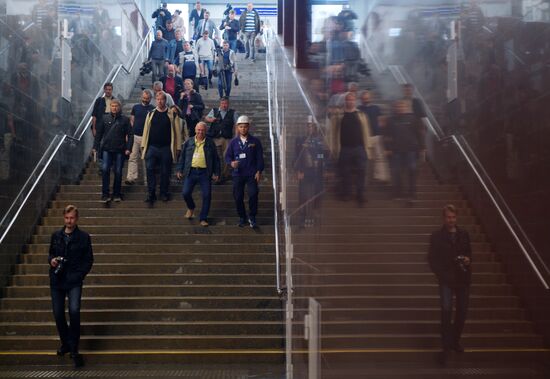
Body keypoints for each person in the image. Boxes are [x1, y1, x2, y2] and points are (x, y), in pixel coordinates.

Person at [49, 205, 93, 368]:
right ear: (63, 218)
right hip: (57, 280)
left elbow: (89, 260)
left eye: (72, 218)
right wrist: (52, 260)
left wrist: (79, 275)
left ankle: (74, 347)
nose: (69, 221)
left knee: (74, 311)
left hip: (74, 280)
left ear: (77, 218)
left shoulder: (83, 237)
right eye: (67, 218)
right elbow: (51, 253)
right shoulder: (56, 236)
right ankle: (65, 343)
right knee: (58, 313)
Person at [428, 204, 472, 364]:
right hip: (446, 280)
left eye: (453, 217)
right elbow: (431, 259)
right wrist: (441, 274)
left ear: (456, 217)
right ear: (443, 218)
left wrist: (467, 260)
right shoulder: (436, 236)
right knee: (446, 313)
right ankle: (446, 346)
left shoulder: (464, 234)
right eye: (448, 217)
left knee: (462, 312)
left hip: (462, 278)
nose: (451, 220)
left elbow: (468, 253)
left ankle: (455, 341)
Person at [329, 91, 372, 206]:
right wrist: (332, 148)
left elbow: (366, 132)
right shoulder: (339, 116)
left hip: (359, 148)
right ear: (345, 101)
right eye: (348, 100)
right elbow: (333, 133)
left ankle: (360, 194)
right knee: (345, 172)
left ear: (355, 101)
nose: (350, 101)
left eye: (352, 100)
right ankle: (347, 193)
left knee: (362, 171)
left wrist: (368, 147)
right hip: (344, 149)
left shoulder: (361, 115)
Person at [141, 91, 182, 204]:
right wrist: (143, 145)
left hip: (166, 148)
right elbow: (146, 130)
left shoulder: (172, 114)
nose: (160, 101)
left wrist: (178, 147)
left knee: (165, 172)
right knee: (149, 169)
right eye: (158, 99)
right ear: (155, 100)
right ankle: (151, 193)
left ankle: (163, 193)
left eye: (162, 99)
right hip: (152, 147)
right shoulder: (150, 114)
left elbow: (178, 132)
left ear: (165, 100)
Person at [176, 122, 220, 227]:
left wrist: (216, 172)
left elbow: (216, 159)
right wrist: (179, 170)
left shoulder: (210, 143)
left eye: (202, 130)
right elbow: (182, 157)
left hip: (205, 173)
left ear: (206, 131)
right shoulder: (189, 142)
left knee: (207, 195)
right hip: (191, 172)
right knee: (185, 193)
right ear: (195, 130)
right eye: (198, 130)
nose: (200, 132)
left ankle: (203, 218)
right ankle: (191, 208)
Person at [225, 115, 264, 228]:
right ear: (237, 128)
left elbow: (260, 158)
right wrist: (231, 163)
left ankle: (252, 216)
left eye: (245, 127)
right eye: (241, 127)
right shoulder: (233, 142)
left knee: (253, 194)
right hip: (238, 174)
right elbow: (227, 157)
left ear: (249, 127)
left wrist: (259, 171)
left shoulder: (255, 141)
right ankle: (242, 217)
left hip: (251, 173)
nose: (243, 129)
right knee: (238, 196)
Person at [92, 99, 132, 203]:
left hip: (120, 150)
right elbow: (99, 134)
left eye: (116, 106)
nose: (114, 108)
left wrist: (128, 148)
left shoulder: (125, 120)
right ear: (110, 107)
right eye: (112, 106)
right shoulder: (104, 118)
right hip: (107, 149)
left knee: (118, 172)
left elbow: (130, 135)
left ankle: (117, 193)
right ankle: (105, 194)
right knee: (105, 170)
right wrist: (95, 147)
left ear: (119, 107)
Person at [384, 99, 425, 201]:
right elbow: (386, 136)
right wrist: (387, 148)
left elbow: (420, 134)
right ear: (395, 108)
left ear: (406, 108)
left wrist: (422, 147)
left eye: (402, 107)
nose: (400, 108)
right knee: (396, 171)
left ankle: (412, 193)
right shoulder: (390, 120)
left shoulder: (413, 119)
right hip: (396, 150)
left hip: (411, 150)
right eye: (398, 106)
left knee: (412, 169)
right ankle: (397, 193)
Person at [294, 116, 325, 228]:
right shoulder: (300, 140)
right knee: (303, 196)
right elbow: (296, 156)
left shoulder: (319, 140)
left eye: (312, 125)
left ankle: (315, 218)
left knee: (316, 195)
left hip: (317, 172)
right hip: (304, 171)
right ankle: (302, 221)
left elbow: (323, 155)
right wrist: (298, 171)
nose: (310, 128)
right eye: (308, 125)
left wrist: (318, 158)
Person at [358, 89, 389, 183]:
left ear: (370, 98)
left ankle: (381, 177)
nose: (365, 99)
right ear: (361, 99)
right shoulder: (358, 109)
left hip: (376, 135)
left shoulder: (376, 108)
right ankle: (365, 178)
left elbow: (381, 120)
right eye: (363, 98)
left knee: (379, 157)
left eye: (367, 98)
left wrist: (382, 133)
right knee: (365, 158)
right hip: (364, 137)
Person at [205, 96, 239, 182]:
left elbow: (237, 125)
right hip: (215, 138)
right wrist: (211, 119)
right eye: (223, 103)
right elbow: (206, 118)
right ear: (220, 103)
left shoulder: (233, 112)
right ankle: (215, 174)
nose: (224, 105)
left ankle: (224, 175)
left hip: (227, 139)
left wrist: (236, 137)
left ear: (228, 104)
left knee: (226, 156)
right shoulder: (214, 110)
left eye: (226, 103)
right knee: (215, 156)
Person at [126, 89, 154, 185]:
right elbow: (132, 120)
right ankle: (131, 177)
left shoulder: (152, 109)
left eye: (147, 98)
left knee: (146, 159)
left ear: (150, 98)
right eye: (144, 98)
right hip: (135, 136)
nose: (145, 100)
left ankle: (148, 180)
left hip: (146, 137)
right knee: (132, 157)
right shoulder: (136, 107)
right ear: (141, 97)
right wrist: (131, 132)